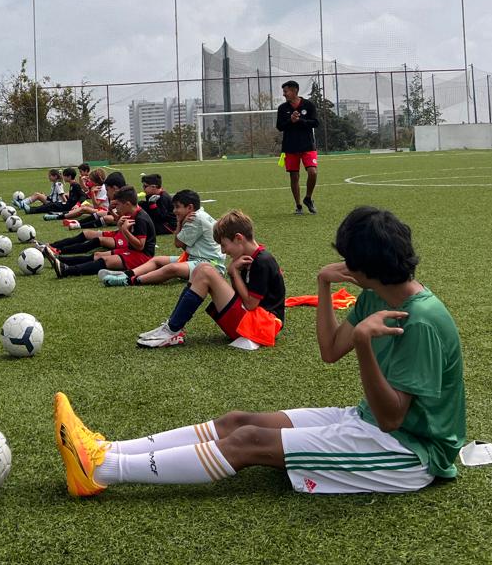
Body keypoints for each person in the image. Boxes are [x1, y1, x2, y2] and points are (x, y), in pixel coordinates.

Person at [55, 206, 465, 497]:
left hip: (409, 453)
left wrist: (362, 345)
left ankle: (103, 470)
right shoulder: (377, 293)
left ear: (364, 267)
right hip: (368, 420)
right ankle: (107, 449)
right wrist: (323, 285)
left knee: (249, 440)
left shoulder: (422, 321)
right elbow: (329, 351)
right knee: (237, 420)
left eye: (345, 260)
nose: (341, 264)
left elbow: (393, 418)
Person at [137, 209, 284, 347]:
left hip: (262, 327)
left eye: (224, 245)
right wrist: (233, 273)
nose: (223, 251)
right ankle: (172, 327)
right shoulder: (249, 257)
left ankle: (172, 330)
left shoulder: (262, 261)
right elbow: (241, 296)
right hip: (252, 322)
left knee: (205, 271)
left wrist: (233, 272)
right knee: (201, 268)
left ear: (239, 238)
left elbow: (251, 304)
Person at [102, 189, 223, 286]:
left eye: (177, 207)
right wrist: (180, 222)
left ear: (190, 207)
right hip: (196, 259)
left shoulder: (194, 219)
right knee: (157, 260)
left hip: (210, 265)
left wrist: (179, 222)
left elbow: (178, 244)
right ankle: (126, 274)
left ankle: (130, 280)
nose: (174, 211)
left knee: (172, 268)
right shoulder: (198, 214)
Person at [49, 187, 155, 279]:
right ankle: (60, 259)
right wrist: (119, 224)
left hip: (143, 257)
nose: (117, 208)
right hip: (132, 250)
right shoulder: (132, 212)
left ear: (127, 204)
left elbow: (140, 246)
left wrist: (124, 230)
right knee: (97, 254)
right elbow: (124, 228)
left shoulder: (141, 219)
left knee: (105, 260)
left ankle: (67, 271)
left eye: (118, 205)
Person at [277, 80, 320, 215]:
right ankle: (298, 205)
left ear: (294, 90)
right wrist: (290, 120)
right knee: (294, 176)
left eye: (286, 91)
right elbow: (279, 127)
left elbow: (316, 123)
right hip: (290, 147)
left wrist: (300, 120)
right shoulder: (282, 108)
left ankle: (308, 198)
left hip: (308, 146)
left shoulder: (308, 105)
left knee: (313, 172)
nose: (284, 94)